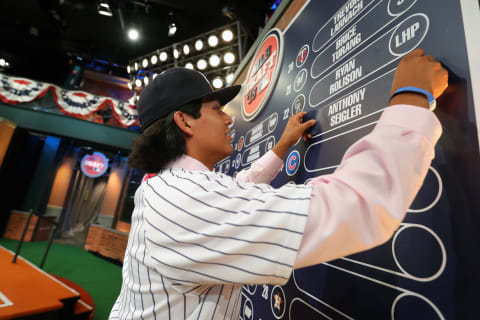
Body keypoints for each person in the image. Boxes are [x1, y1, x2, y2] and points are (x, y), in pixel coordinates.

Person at [109, 48, 448, 319]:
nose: (229, 118)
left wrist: (281, 146)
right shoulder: (183, 202)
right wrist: (411, 98)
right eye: (216, 109)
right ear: (184, 121)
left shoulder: (168, 188)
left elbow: (237, 188)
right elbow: (356, 207)